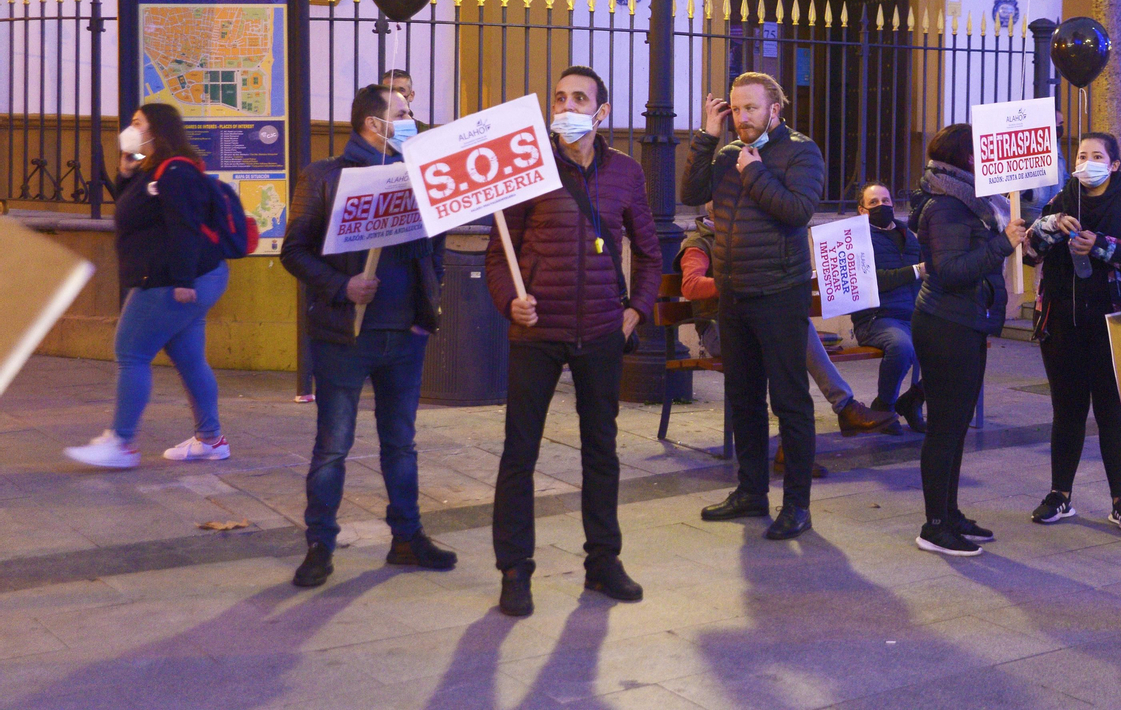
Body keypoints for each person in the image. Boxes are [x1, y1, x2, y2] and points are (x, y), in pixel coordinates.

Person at [484, 66, 662, 617]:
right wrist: (509, 302)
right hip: (537, 333)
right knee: (520, 453)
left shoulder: (626, 172)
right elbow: (499, 256)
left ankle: (603, 562)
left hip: (603, 334)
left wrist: (635, 311)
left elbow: (651, 253)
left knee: (601, 451)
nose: (566, 106)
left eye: (579, 98)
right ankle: (515, 570)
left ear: (601, 112)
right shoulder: (527, 167)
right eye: (559, 97)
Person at [281, 84, 453, 589]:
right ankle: (320, 545)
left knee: (401, 444)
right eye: (402, 113)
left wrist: (426, 307)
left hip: (405, 336)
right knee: (333, 446)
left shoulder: (417, 176)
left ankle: (407, 537)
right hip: (344, 337)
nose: (411, 119)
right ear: (374, 125)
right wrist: (343, 286)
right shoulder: (324, 177)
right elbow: (293, 251)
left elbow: (436, 246)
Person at [683, 72, 827, 540]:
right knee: (743, 398)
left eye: (751, 108)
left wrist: (755, 171)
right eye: (736, 109)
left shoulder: (801, 151)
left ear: (774, 110)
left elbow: (797, 211)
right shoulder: (727, 153)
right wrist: (708, 137)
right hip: (733, 293)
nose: (742, 118)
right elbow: (690, 194)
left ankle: (798, 505)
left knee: (790, 401)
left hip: (780, 293)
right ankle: (750, 492)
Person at [64, 104, 232, 469]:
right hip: (186, 277)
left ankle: (122, 443)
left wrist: (183, 282)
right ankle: (211, 439)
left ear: (157, 129)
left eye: (138, 123)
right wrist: (126, 173)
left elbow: (184, 227)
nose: (131, 128)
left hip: (173, 281)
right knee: (189, 358)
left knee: (131, 352)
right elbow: (136, 214)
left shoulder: (175, 172)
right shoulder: (153, 170)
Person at [675, 217, 894, 480]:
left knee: (793, 327)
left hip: (752, 325)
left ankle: (801, 442)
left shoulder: (746, 239)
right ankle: (840, 411)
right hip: (720, 332)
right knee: (790, 335)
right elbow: (690, 285)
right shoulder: (699, 243)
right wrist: (740, 282)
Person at [909, 124, 1027, 557]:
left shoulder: (969, 200)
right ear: (966, 158)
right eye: (981, 152)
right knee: (945, 427)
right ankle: (935, 526)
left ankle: (950, 513)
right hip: (946, 323)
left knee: (956, 425)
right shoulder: (947, 205)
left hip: (965, 322)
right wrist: (1002, 244)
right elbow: (952, 271)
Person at [1023, 132, 1121, 532]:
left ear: (1114, 164)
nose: (1087, 162)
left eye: (1097, 156)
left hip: (1115, 322)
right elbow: (1030, 252)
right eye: (1081, 155)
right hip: (1063, 322)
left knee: (1113, 411)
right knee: (1067, 410)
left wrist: (1101, 246)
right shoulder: (1063, 198)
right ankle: (1059, 494)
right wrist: (1051, 225)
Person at [854, 182, 927, 433]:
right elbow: (869, 280)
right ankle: (884, 408)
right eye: (873, 202)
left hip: (914, 315)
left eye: (886, 201)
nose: (881, 206)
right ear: (862, 210)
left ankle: (913, 400)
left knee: (955, 347)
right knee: (902, 346)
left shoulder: (909, 236)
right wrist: (915, 271)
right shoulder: (857, 239)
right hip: (876, 318)